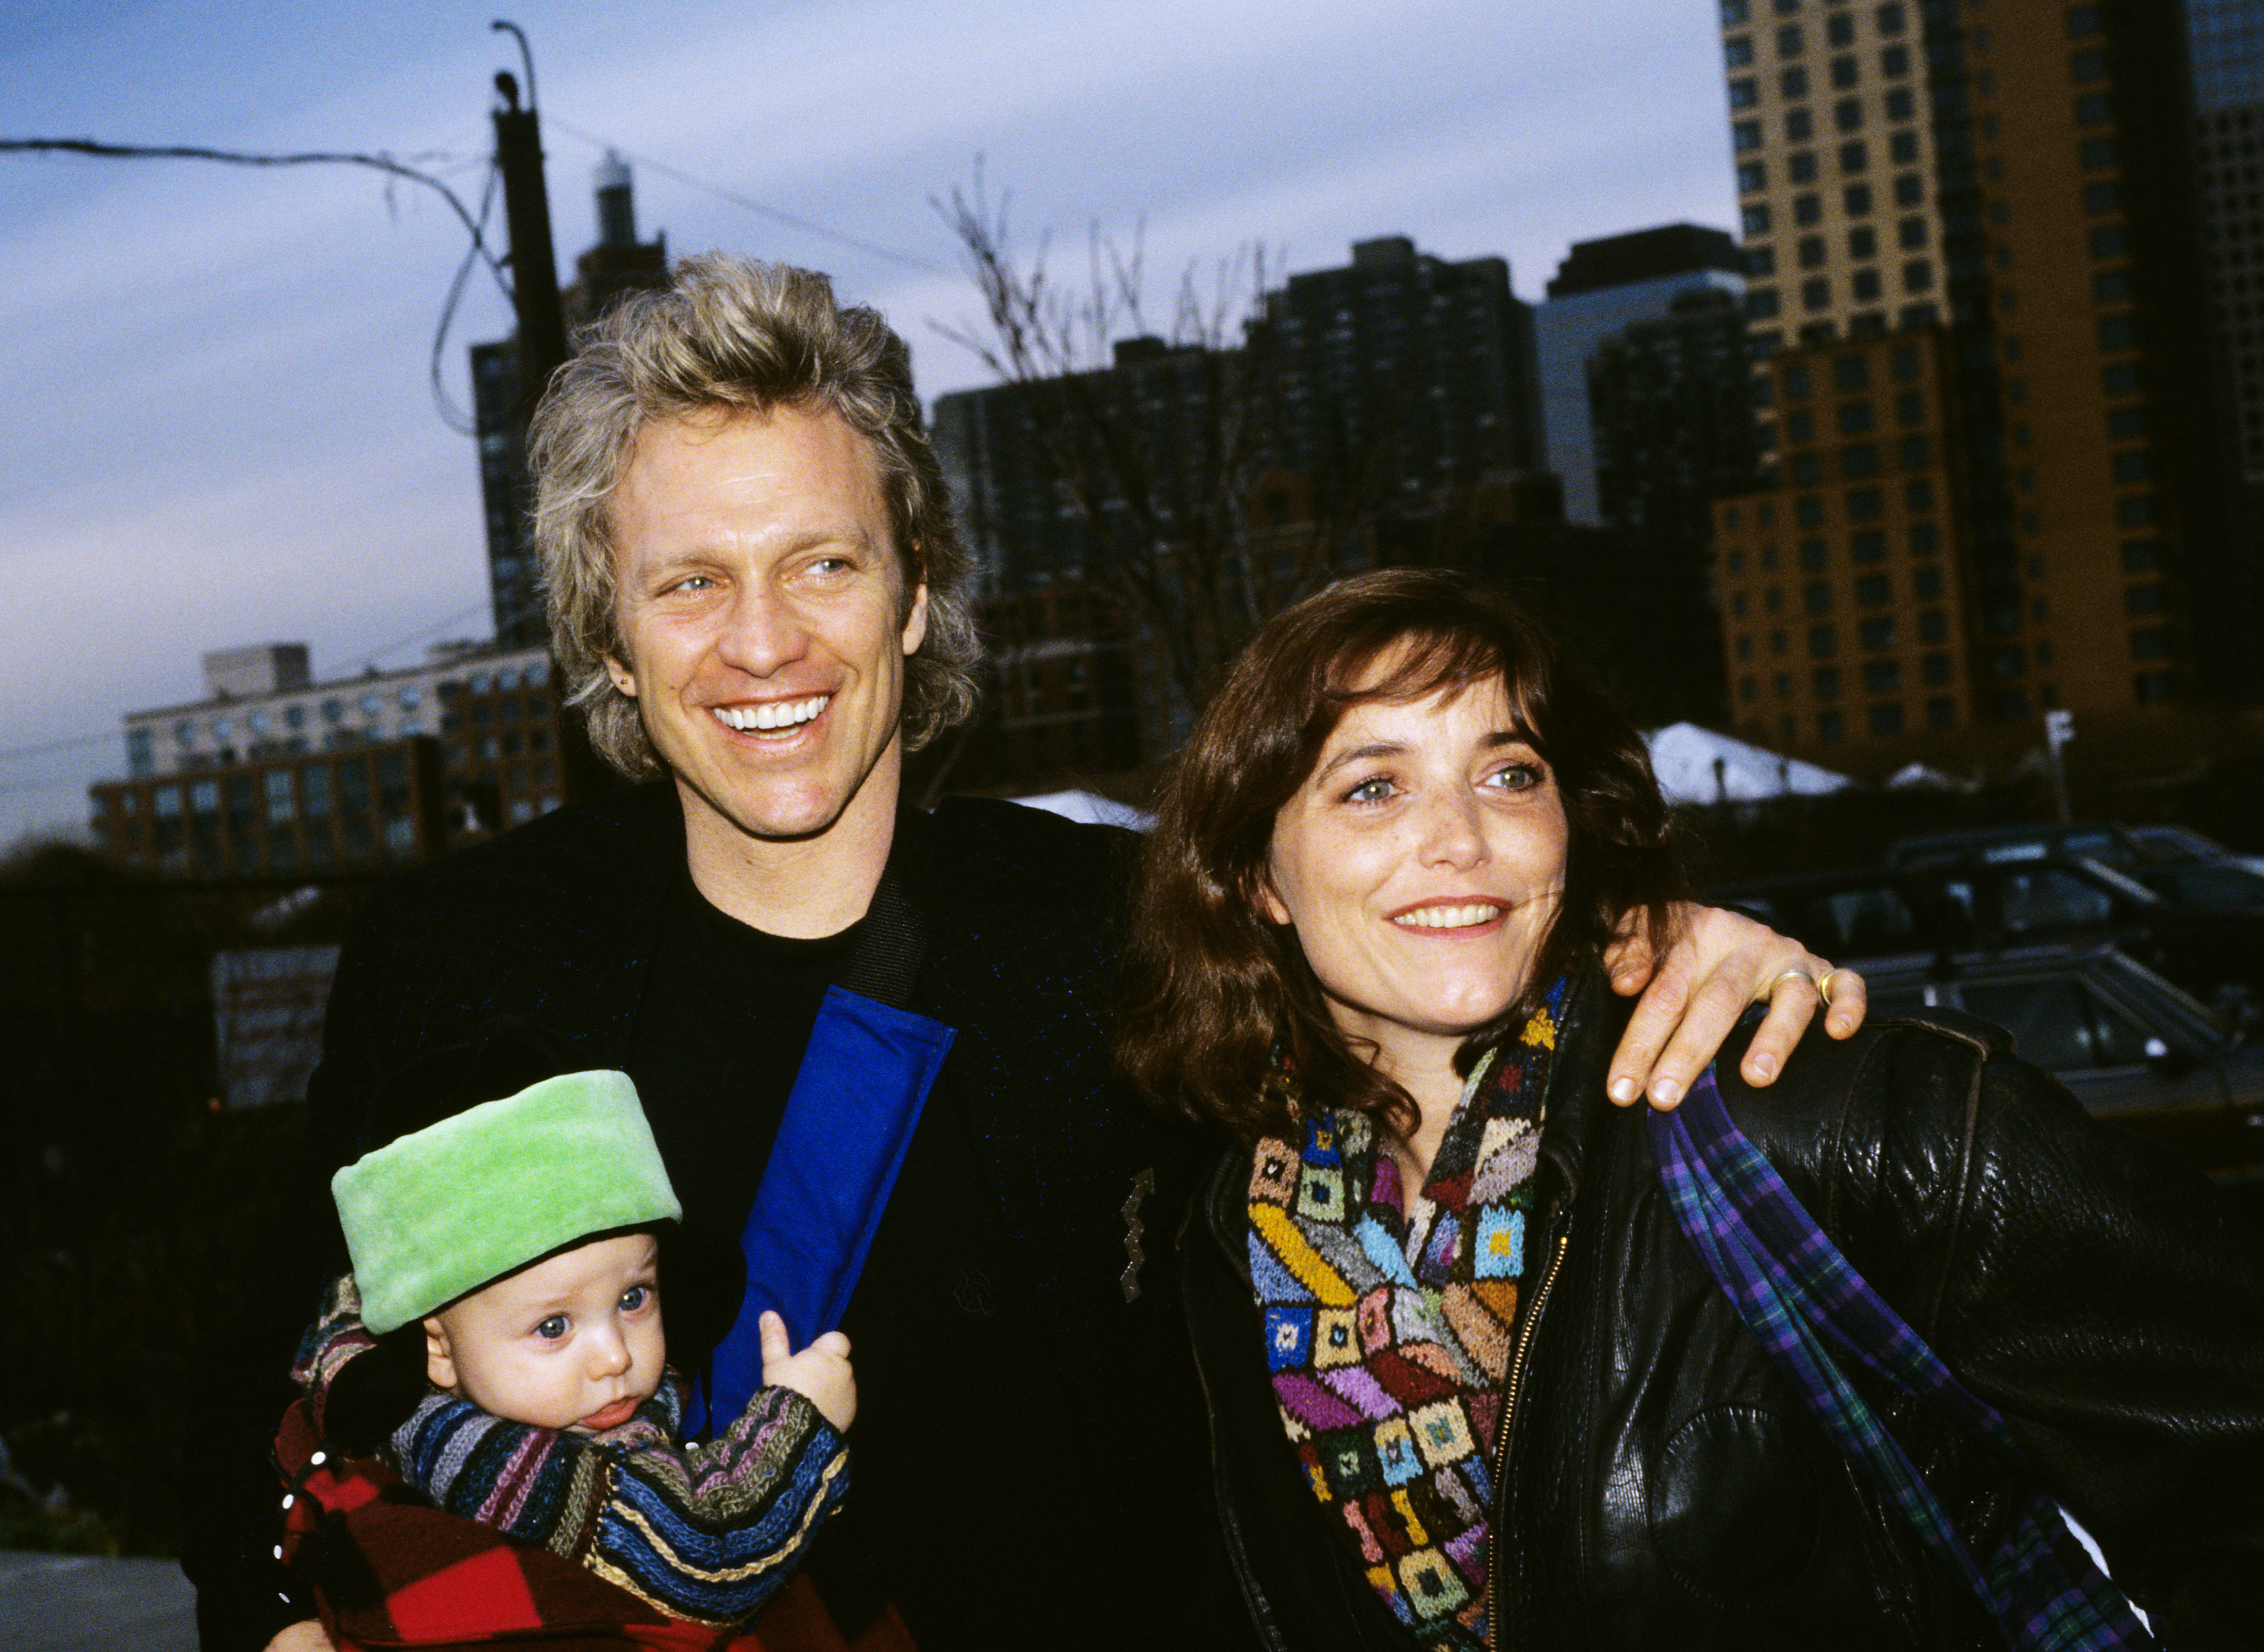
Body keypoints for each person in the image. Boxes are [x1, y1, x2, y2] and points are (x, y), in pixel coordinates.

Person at [183, 255, 1860, 1652]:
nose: (763, 642)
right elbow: (248, 1386)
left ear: (916, 595)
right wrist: (283, 1613)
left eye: (823, 562)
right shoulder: (462, 958)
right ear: (608, 642)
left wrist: (1650, 948)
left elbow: (1430, 1024)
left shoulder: (1123, 921)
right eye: (689, 583)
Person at [1130, 567, 2264, 1651]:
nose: (1461, 839)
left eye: (1508, 773)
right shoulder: (1232, 1239)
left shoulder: (1815, 1106)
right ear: (1257, 881)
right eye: (1373, 786)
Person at [275, 1024, 856, 1644]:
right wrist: (802, 1424)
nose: (614, 1356)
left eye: (633, 1298)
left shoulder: (394, 1394)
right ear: (437, 1348)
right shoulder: (495, 1459)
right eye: (553, 1326)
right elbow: (710, 1555)